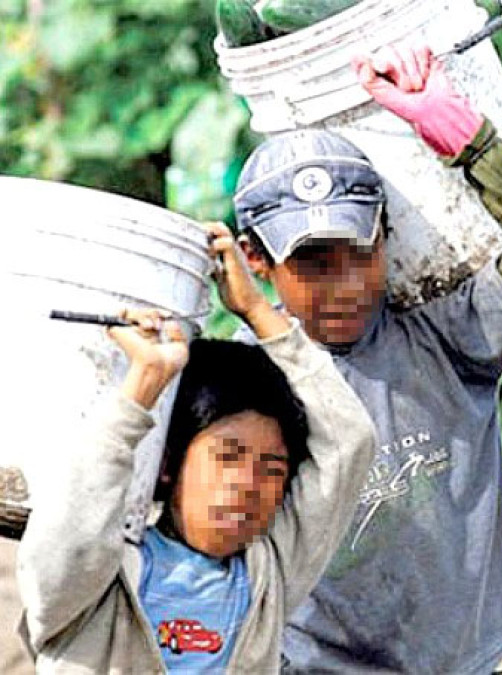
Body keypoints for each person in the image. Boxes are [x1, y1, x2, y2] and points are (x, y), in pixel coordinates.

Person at [232, 43, 502, 673]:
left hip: (462, 659)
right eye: (315, 265)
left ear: (388, 238)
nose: (346, 285)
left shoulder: (447, 339)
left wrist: (462, 135)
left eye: (361, 253)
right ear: (257, 260)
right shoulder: (246, 381)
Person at [16, 223, 376, 672]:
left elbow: (348, 441)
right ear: (169, 465)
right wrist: (140, 391)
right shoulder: (102, 578)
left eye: (273, 469)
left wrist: (256, 309)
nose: (248, 484)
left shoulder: (271, 574)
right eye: (227, 457)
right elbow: (66, 545)